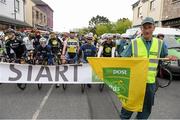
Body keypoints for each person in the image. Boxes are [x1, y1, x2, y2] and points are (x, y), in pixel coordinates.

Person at [120, 17, 176, 119]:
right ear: (141, 29)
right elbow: (123, 60)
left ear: (153, 28)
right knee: (128, 109)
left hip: (150, 83)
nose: (146, 30)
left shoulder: (160, 43)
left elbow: (164, 57)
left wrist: (169, 58)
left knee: (145, 111)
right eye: (144, 28)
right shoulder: (134, 43)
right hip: (135, 82)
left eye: (149, 27)